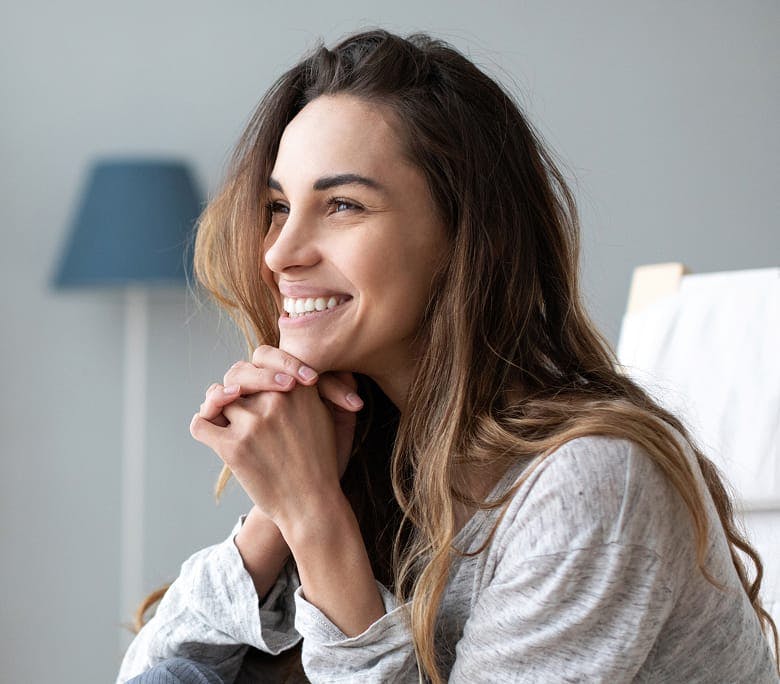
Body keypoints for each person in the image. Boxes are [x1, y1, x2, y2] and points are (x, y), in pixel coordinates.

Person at [117, 29, 779, 684]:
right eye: (278, 206)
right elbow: (155, 675)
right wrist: (278, 507)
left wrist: (314, 516)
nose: (279, 252)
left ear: (467, 238)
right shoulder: (369, 451)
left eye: (342, 204)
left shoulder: (588, 482)